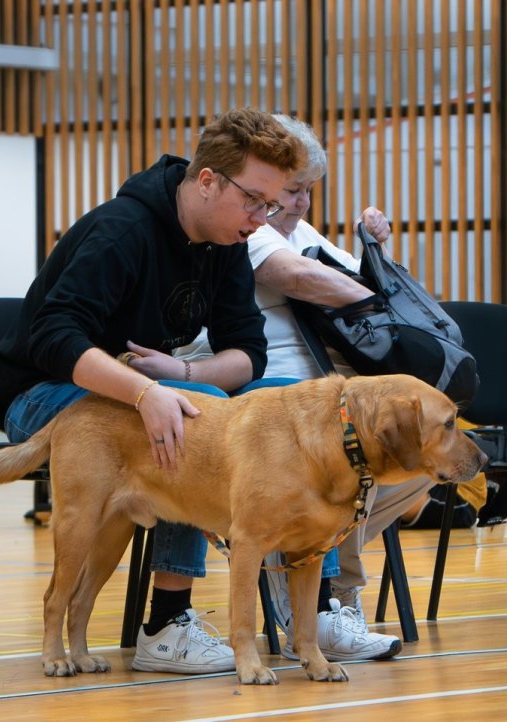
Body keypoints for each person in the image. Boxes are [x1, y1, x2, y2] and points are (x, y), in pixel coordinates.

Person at [0, 108, 306, 674]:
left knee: (298, 408)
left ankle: (314, 607)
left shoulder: (228, 240)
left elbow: (248, 355)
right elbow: (55, 338)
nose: (263, 218)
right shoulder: (122, 229)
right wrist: (144, 393)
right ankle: (168, 620)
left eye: (273, 205)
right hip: (44, 397)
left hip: (143, 394)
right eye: (255, 201)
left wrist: (177, 379)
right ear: (208, 181)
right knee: (194, 428)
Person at [176, 114, 423, 662]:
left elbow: (364, 286)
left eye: (309, 189)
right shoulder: (250, 226)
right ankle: (325, 604)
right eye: (292, 189)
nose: (301, 202)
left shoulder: (300, 230)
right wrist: (371, 292)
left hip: (319, 391)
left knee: (417, 461)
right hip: (262, 391)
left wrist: (377, 252)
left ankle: (307, 575)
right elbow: (299, 278)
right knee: (345, 459)